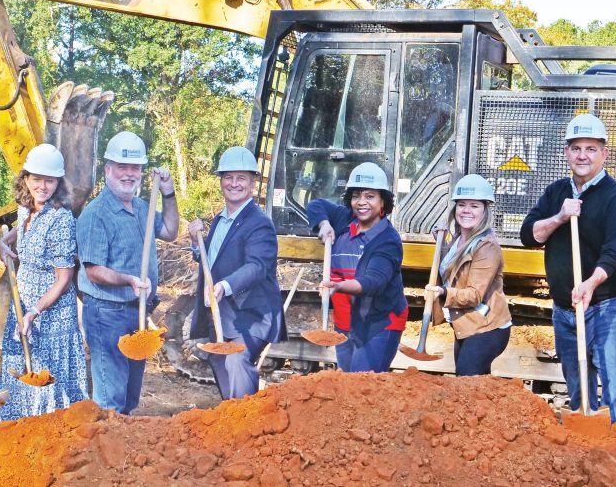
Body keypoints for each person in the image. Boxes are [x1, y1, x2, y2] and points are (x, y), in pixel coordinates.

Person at [520, 113, 616, 423]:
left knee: (613, 382)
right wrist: (559, 217)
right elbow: (528, 235)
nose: (582, 155)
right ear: (566, 153)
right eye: (576, 148)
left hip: (608, 305)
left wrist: (590, 283)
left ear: (604, 153)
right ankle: (585, 441)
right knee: (577, 384)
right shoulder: (556, 193)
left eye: (591, 148)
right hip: (565, 308)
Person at [76, 131, 179, 413]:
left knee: (130, 398)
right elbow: (94, 270)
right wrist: (128, 280)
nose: (129, 174)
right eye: (122, 167)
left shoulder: (143, 207)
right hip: (107, 314)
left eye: (135, 168)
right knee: (111, 400)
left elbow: (170, 231)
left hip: (137, 311)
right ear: (108, 169)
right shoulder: (96, 214)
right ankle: (106, 441)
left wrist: (168, 193)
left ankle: (123, 440)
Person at [0, 144, 87, 422]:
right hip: (22, 304)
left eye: (50, 180)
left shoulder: (61, 219)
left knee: (47, 382)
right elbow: (18, 231)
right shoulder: (27, 208)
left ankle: (49, 434)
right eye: (36, 179)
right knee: (20, 370)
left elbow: (64, 279)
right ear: (25, 178)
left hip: (50, 315)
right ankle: (19, 431)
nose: (42, 186)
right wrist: (3, 242)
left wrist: (35, 312)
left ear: (58, 183)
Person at [187, 147, 285, 399]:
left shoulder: (259, 223)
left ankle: (246, 418)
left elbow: (257, 266)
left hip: (250, 316)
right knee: (220, 363)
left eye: (241, 178)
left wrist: (225, 285)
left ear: (252, 184)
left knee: (236, 359)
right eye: (228, 177)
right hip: (221, 315)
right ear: (221, 181)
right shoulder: (220, 220)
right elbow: (211, 261)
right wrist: (197, 245)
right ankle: (231, 415)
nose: (234, 184)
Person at [306, 162, 407, 372]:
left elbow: (374, 282)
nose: (361, 202)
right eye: (356, 196)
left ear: (383, 202)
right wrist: (324, 224)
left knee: (362, 383)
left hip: (378, 324)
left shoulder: (388, 240)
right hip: (345, 323)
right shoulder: (345, 219)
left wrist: (338, 286)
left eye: (370, 196)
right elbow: (316, 205)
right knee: (346, 382)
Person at [426, 174, 512, 376]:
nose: (466, 210)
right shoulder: (458, 239)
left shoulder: (486, 246)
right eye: (462, 204)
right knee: (473, 385)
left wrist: (443, 292)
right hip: (468, 325)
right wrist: (442, 244)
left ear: (485, 210)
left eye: (474, 206)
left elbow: (474, 295)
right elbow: (454, 270)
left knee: (465, 382)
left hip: (487, 328)